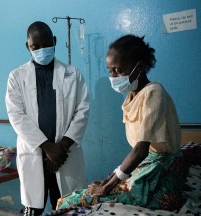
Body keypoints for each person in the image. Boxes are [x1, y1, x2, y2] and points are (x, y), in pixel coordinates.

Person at [57, 34, 188, 212]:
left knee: (72, 202)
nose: (112, 76)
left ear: (139, 67)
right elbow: (139, 154)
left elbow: (141, 150)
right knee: (75, 197)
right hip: (146, 167)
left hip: (162, 175)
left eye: (118, 71)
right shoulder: (131, 97)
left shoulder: (153, 93)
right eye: (109, 70)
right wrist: (109, 179)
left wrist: (107, 187)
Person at [5, 21, 90, 216]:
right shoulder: (17, 77)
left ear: (54, 41)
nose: (42, 49)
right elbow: (16, 115)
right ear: (28, 47)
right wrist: (48, 148)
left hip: (65, 155)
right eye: (36, 46)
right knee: (33, 208)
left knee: (67, 207)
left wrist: (61, 148)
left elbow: (82, 111)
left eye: (46, 44)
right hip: (36, 154)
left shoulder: (72, 73)